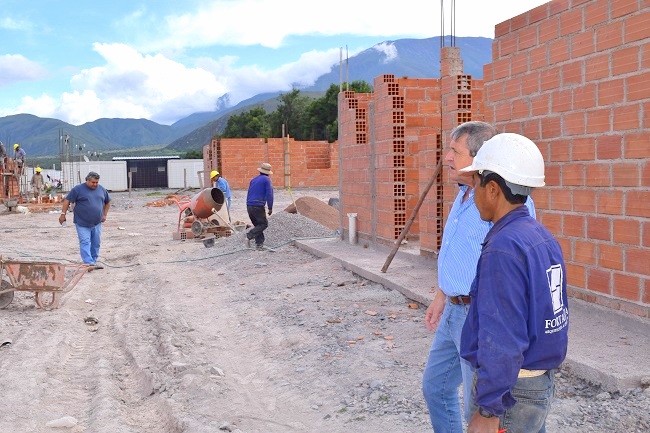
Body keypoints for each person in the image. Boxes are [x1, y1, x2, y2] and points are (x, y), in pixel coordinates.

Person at [421, 121, 536, 433]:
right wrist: (442, 295)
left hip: (480, 315)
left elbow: (518, 259)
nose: (446, 157)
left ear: (478, 158)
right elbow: (455, 252)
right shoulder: (463, 195)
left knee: (482, 407)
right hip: (453, 312)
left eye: (454, 152)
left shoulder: (501, 199)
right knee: (435, 387)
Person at [458, 133, 568, 433]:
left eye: (476, 184)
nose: (474, 192)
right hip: (536, 382)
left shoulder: (503, 248)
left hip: (511, 393)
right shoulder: (540, 236)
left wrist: (489, 410)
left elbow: (503, 336)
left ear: (492, 189)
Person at [58, 171, 111, 267]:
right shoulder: (78, 189)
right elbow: (67, 201)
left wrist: (105, 214)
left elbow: (108, 201)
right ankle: (88, 262)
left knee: (96, 243)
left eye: (96, 182)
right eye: (93, 182)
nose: (95, 184)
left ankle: (93, 261)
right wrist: (63, 214)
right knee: (85, 241)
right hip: (82, 222)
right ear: (87, 180)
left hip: (97, 222)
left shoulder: (102, 189)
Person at [245, 162, 273, 249]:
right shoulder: (266, 180)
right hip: (257, 205)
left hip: (249, 205)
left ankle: (259, 244)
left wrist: (249, 204)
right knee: (264, 224)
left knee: (258, 225)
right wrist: (270, 207)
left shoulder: (253, 179)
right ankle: (249, 236)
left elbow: (249, 192)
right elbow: (270, 194)